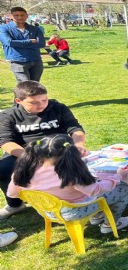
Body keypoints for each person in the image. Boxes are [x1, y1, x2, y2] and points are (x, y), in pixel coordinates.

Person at [7, 134, 128, 233]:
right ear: (71, 152)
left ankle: (97, 216)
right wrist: (117, 176)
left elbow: (12, 194)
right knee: (122, 188)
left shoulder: (23, 170)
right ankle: (110, 224)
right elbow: (95, 190)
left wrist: (45, 194)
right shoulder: (69, 173)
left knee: (93, 187)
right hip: (73, 212)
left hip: (46, 210)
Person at [0, 81, 87, 219]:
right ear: (18, 100)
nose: (41, 105)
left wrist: (79, 144)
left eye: (44, 100)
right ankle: (15, 204)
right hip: (25, 152)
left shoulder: (57, 108)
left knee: (81, 164)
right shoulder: (9, 115)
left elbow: (75, 128)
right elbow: (6, 142)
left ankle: (81, 195)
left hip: (59, 148)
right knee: (3, 169)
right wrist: (31, 157)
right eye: (33, 102)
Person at [0, 7, 46, 82]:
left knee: (35, 87)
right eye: (16, 15)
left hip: (36, 60)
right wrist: (30, 41)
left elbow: (41, 44)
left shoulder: (35, 29)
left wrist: (18, 44)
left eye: (22, 15)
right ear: (11, 16)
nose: (20, 17)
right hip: (18, 61)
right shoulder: (4, 28)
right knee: (25, 86)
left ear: (26, 16)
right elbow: (9, 42)